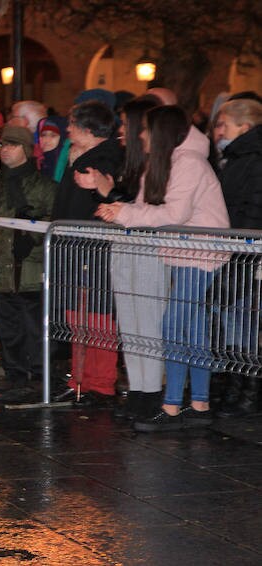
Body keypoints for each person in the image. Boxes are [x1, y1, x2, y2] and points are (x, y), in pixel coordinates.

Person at [96, 105, 229, 432]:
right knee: (192, 329)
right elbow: (149, 208)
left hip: (201, 253)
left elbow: (175, 212)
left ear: (160, 133)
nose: (140, 134)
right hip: (184, 252)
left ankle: (171, 407)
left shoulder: (189, 164)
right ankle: (199, 403)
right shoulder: (168, 163)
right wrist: (123, 208)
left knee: (173, 326)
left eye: (145, 129)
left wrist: (124, 214)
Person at [74, 95, 164, 419]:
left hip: (148, 253)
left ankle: (149, 394)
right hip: (126, 250)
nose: (121, 130)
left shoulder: (155, 167)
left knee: (146, 327)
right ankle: (140, 392)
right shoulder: (133, 164)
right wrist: (108, 194)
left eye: (126, 124)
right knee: (131, 327)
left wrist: (109, 193)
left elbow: (148, 211)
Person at [52, 100, 124, 404]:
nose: (67, 130)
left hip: (93, 251)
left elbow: (108, 194)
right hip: (77, 248)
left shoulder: (106, 157)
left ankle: (101, 383)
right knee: (79, 318)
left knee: (96, 317)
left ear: (88, 129)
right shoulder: (85, 155)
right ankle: (81, 378)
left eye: (71, 124)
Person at [0, 126, 57, 402]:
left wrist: (32, 236)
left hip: (32, 269)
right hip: (3, 269)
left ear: (24, 148)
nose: (5, 150)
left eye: (12, 145)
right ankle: (15, 375)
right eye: (3, 145)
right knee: (8, 328)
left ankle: (39, 376)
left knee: (35, 327)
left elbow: (54, 222)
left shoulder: (45, 186)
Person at [213, 98, 262, 417]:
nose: (218, 132)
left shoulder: (252, 159)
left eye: (224, 125)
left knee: (240, 319)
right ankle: (236, 386)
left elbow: (252, 207)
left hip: (244, 251)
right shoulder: (236, 157)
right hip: (235, 248)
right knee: (234, 318)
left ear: (244, 127)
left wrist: (243, 244)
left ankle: (246, 390)